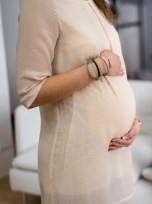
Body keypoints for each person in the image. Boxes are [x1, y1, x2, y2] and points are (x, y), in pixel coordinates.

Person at [16, 1, 140, 204]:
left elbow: (117, 76)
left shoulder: (96, 3)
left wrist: (132, 121)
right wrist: (99, 66)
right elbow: (30, 91)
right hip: (77, 159)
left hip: (114, 156)